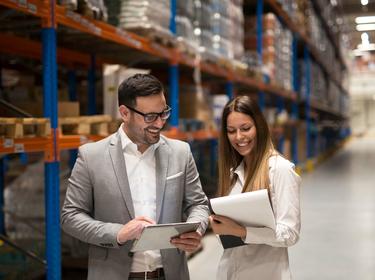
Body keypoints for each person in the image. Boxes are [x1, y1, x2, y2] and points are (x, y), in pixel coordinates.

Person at [61, 73, 210, 280]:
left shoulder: (180, 152)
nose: (159, 124)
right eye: (150, 117)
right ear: (124, 113)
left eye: (163, 113)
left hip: (169, 274)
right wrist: (118, 233)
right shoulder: (91, 156)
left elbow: (198, 204)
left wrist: (197, 229)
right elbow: (71, 216)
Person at [209, 95, 301, 280]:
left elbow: (290, 234)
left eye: (245, 128)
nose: (239, 137)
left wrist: (240, 231)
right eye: (231, 131)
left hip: (266, 273)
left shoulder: (280, 170)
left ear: (259, 126)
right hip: (230, 271)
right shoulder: (233, 173)